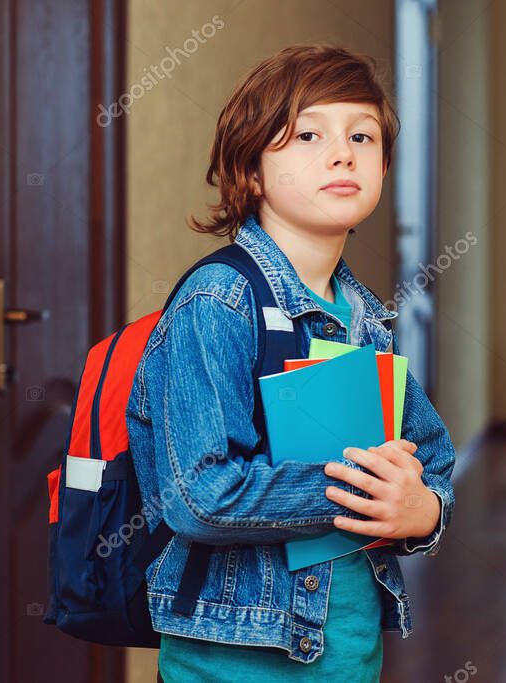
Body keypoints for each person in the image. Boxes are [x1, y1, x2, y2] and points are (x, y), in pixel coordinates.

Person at [127, 43, 456, 682]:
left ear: (384, 168)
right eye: (307, 134)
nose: (342, 152)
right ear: (250, 171)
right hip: (232, 664)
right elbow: (198, 497)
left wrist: (424, 513)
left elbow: (434, 459)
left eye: (362, 136)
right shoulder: (217, 303)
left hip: (348, 657)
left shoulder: (365, 318)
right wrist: (356, 491)